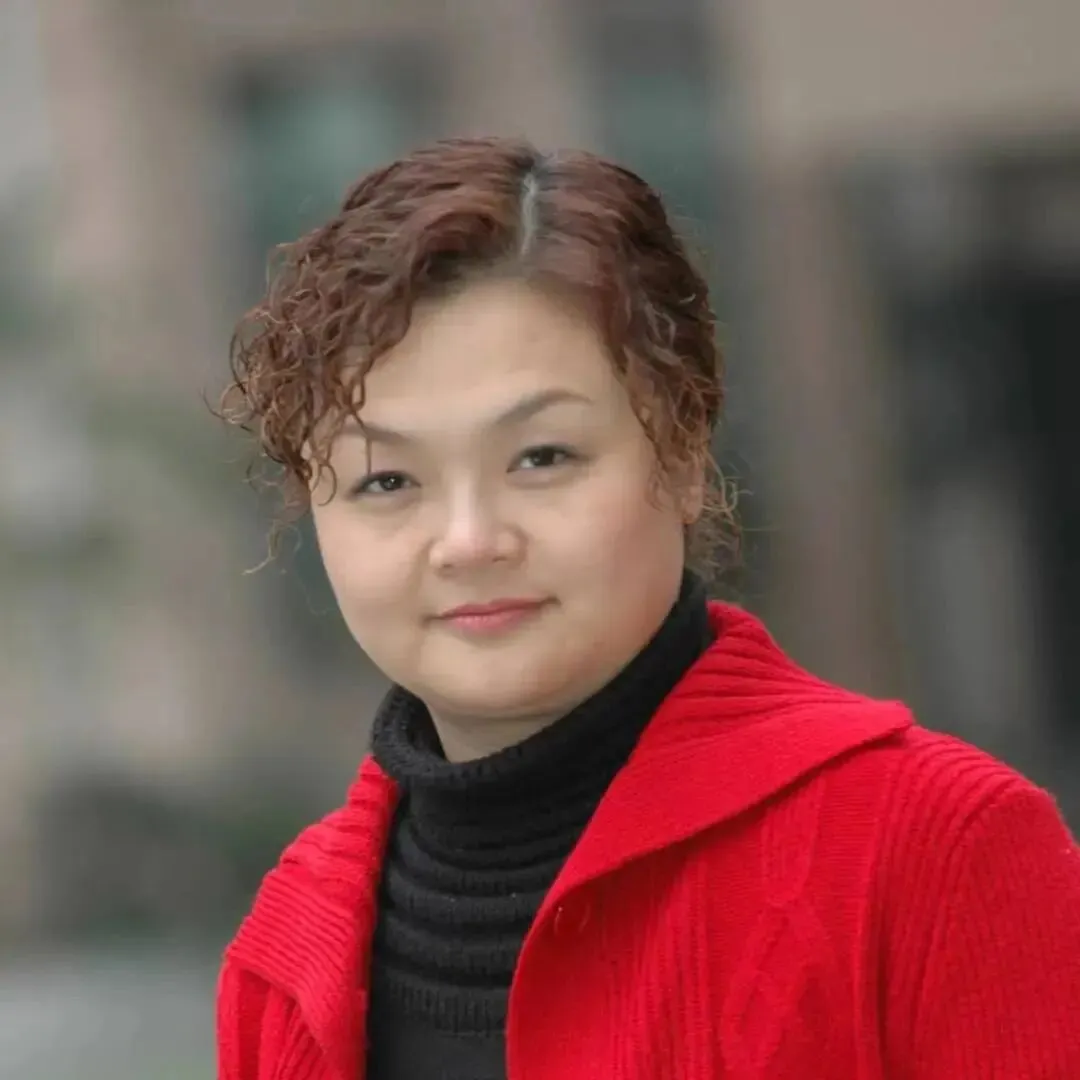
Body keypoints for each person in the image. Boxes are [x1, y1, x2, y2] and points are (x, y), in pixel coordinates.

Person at [215, 135, 1080, 1080]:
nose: (469, 540)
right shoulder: (285, 949)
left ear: (682, 455)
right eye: (387, 480)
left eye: (542, 457)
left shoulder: (937, 847)